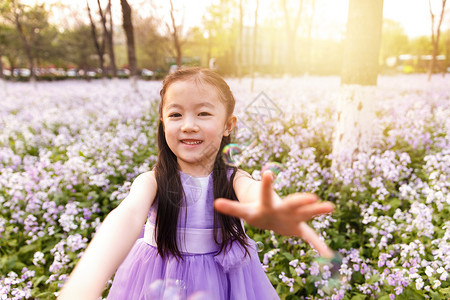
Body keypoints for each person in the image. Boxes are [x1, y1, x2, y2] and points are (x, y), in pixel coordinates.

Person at [58, 67, 335, 300]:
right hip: (158, 274)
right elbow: (127, 216)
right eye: (176, 115)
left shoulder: (233, 179)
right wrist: (84, 285)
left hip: (223, 282)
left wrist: (273, 210)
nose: (188, 125)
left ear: (228, 125)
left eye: (203, 114)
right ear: (163, 122)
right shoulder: (152, 180)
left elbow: (254, 194)